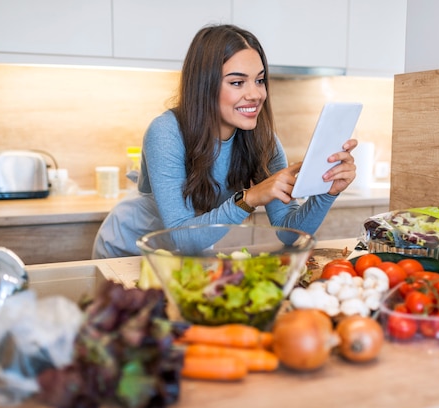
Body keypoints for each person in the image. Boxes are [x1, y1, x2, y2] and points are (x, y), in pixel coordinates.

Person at [92, 24, 358, 259]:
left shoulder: (263, 141)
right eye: (237, 82)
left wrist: (327, 192)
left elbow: (289, 234)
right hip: (128, 249)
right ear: (204, 85)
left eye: (260, 80)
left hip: (191, 253)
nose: (255, 94)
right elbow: (182, 237)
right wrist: (250, 197)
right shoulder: (166, 132)